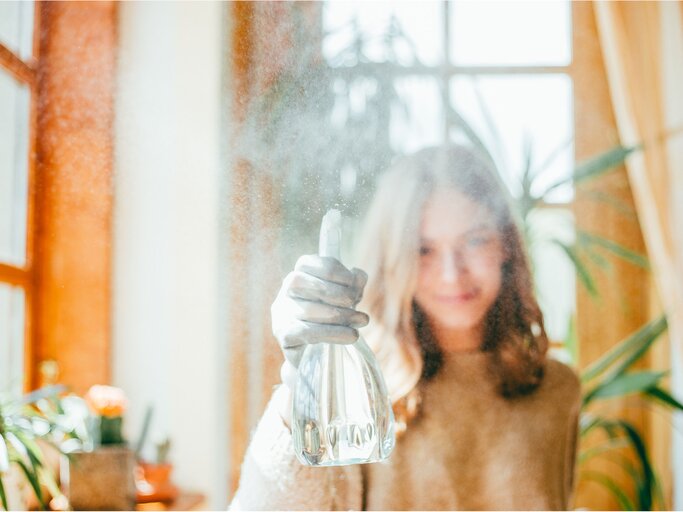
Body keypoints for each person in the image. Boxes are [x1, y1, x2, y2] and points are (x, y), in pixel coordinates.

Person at [229, 145, 581, 511]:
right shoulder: (359, 392)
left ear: (506, 244)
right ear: (393, 258)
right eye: (424, 249)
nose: (451, 273)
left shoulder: (558, 390)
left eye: (475, 240)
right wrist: (299, 390)